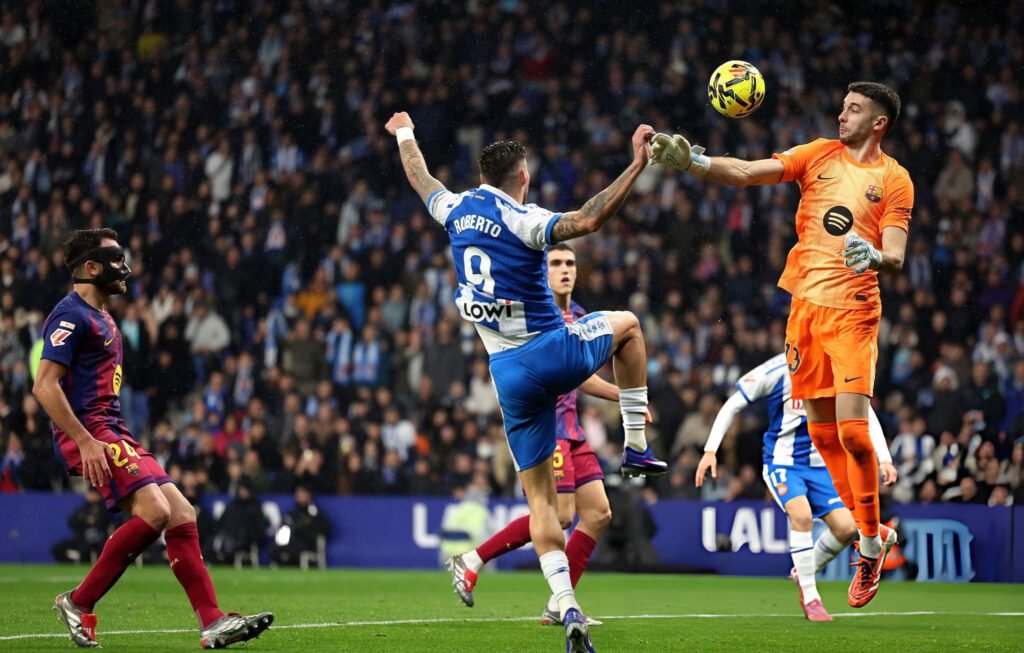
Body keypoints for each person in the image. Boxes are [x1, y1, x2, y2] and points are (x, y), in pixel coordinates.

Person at [386, 110, 666, 653]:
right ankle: (636, 446)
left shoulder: (455, 210)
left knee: (542, 505)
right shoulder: (524, 218)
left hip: (507, 376)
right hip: (548, 348)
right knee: (629, 327)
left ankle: (567, 606)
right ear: (523, 176)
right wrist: (636, 166)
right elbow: (587, 220)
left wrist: (405, 132)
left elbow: (421, 177)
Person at [654, 81, 913, 607]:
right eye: (842, 105)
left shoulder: (894, 179)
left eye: (855, 109)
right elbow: (750, 172)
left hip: (855, 313)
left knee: (855, 436)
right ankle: (867, 541)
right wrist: (695, 164)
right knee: (822, 436)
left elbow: (897, 255)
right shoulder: (818, 154)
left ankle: (867, 546)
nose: (842, 115)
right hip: (805, 313)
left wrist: (873, 257)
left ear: (879, 122)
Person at [33, 229, 273, 649]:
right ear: (90, 267)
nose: (124, 267)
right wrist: (86, 441)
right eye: (114, 258)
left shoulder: (103, 316)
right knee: (157, 512)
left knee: (182, 513)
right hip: (92, 431)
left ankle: (212, 620)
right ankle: (78, 601)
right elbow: (44, 385)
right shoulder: (71, 315)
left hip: (114, 429)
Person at [447, 244, 634, 627]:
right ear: (542, 272)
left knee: (598, 512)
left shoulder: (582, 316)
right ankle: (473, 559)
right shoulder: (535, 314)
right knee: (559, 514)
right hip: (548, 430)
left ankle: (559, 602)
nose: (564, 270)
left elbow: (579, 372)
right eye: (556, 264)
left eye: (570, 263)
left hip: (574, 430)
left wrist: (622, 395)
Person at [696, 354, 898, 621]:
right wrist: (711, 450)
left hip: (821, 468)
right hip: (783, 464)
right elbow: (733, 404)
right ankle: (811, 596)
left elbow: (866, 415)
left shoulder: (836, 368)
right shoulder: (779, 369)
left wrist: (884, 459)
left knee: (847, 528)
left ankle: (804, 569)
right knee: (801, 516)